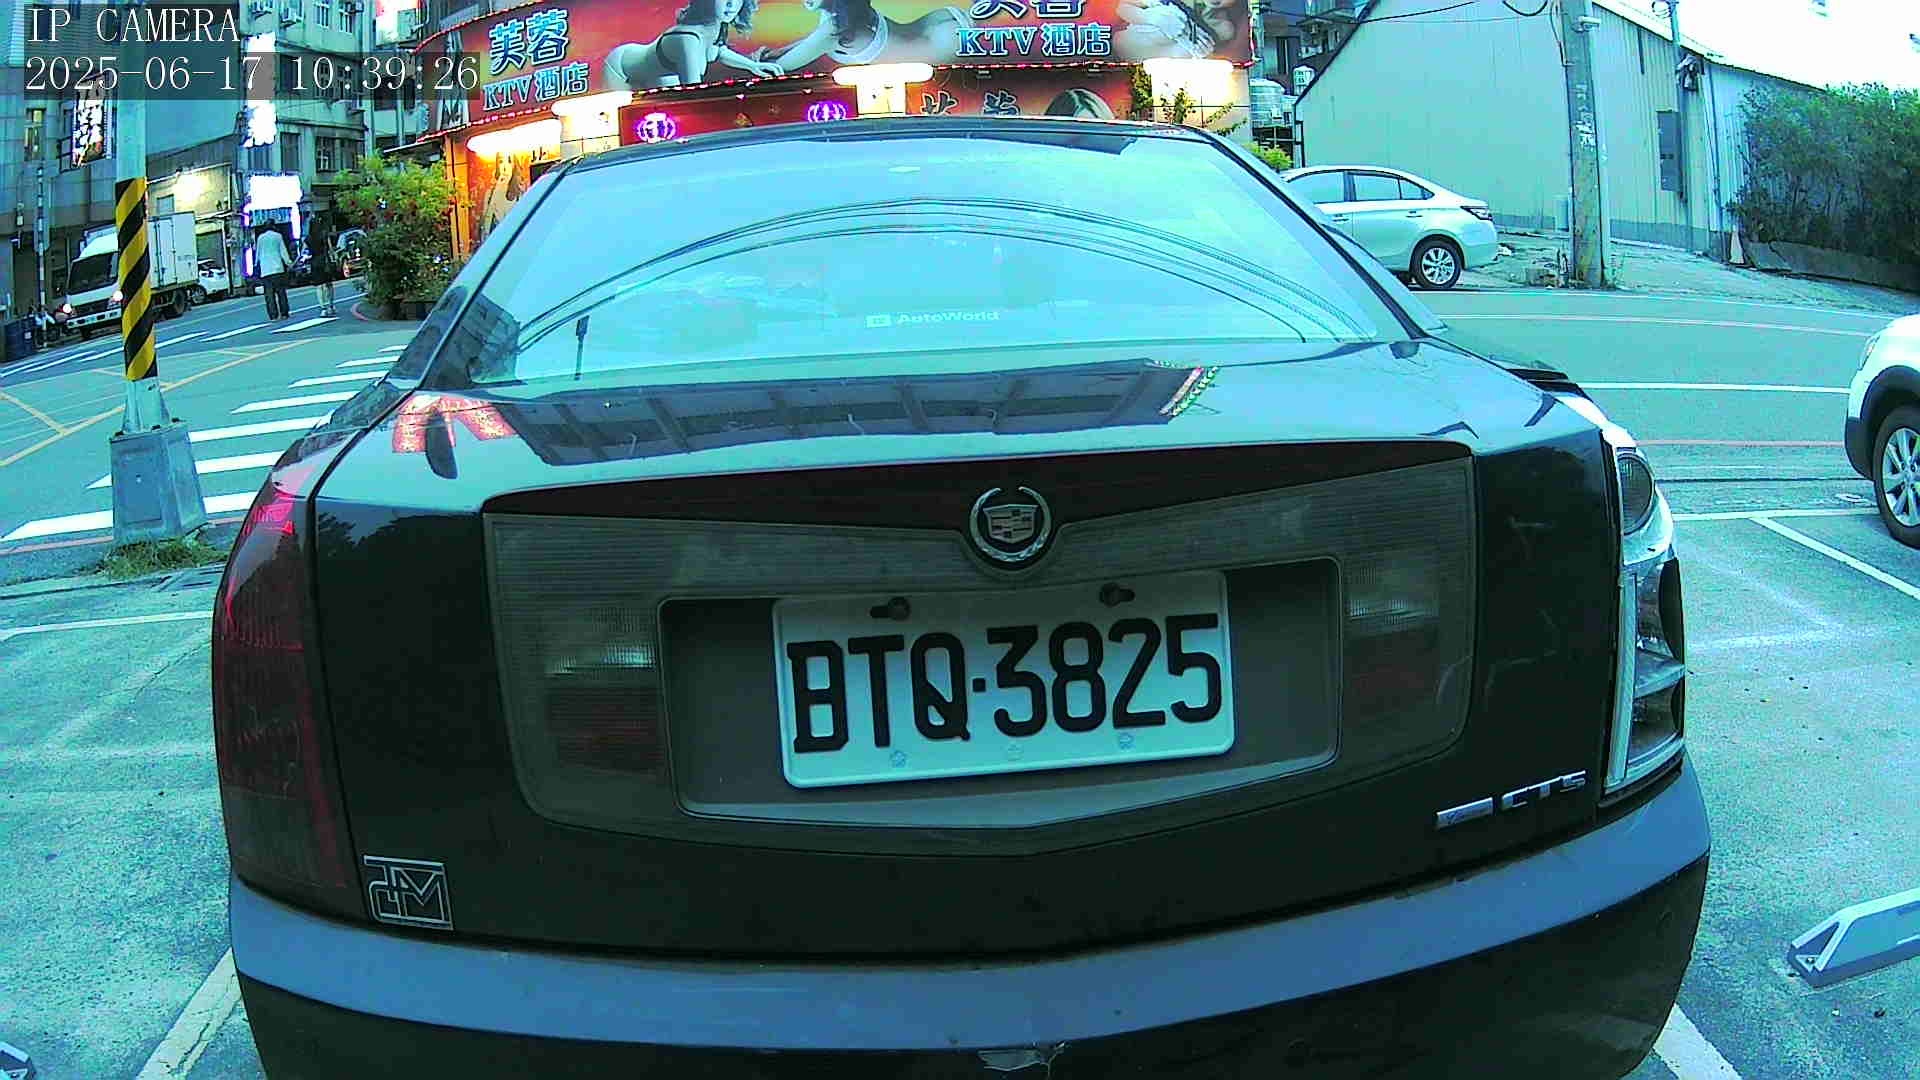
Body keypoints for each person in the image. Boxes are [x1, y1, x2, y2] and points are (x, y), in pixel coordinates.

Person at [602, 0, 782, 91]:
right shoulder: (687, 39)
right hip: (621, 69)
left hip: (660, 74)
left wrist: (753, 66)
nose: (731, 5)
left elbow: (719, 51)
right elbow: (692, 90)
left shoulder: (716, 27)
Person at [757, 0, 970, 73]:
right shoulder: (848, 14)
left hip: (941, 45)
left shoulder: (833, 28)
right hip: (938, 23)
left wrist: (754, 60)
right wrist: (779, 50)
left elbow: (779, 67)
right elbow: (814, 40)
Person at [253, 223, 294, 321]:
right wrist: (289, 263)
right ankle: (284, 313)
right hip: (277, 268)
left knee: (269, 294)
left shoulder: (260, 238)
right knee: (281, 292)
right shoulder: (278, 236)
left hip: (265, 270)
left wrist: (256, 265)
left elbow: (258, 254)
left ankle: (273, 315)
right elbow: (283, 251)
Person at [307, 218, 339, 317]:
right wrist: (335, 258)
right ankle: (331, 305)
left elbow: (304, 252)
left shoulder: (308, 238)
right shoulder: (324, 235)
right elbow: (331, 249)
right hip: (325, 262)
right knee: (329, 284)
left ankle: (323, 308)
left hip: (315, 263)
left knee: (319, 286)